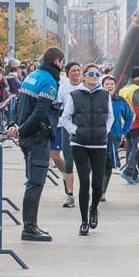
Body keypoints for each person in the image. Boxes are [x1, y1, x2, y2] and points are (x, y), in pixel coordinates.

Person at [7, 47, 65, 241]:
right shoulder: (48, 81)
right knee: (36, 182)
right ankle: (29, 228)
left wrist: (15, 124)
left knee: (31, 180)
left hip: (26, 137)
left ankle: (30, 225)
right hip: (37, 138)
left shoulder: (32, 76)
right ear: (57, 62)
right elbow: (40, 112)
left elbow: (18, 103)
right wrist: (22, 129)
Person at [59, 64, 113, 236]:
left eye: (97, 74)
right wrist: (76, 131)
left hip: (99, 142)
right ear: (84, 76)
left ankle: (94, 209)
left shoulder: (105, 95)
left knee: (97, 184)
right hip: (79, 143)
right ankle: (83, 221)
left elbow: (110, 116)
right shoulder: (74, 95)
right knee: (84, 182)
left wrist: (106, 130)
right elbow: (65, 118)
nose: (95, 76)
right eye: (91, 74)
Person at [54, 61, 83, 206]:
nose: (77, 73)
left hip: (85, 129)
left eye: (78, 70)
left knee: (86, 164)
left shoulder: (86, 87)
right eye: (73, 71)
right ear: (67, 73)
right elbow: (57, 107)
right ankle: (69, 194)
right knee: (69, 162)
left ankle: (85, 193)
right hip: (67, 128)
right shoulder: (63, 88)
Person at [102, 75, 134, 199]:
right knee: (97, 164)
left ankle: (102, 191)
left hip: (114, 137)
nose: (110, 86)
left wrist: (123, 132)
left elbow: (129, 117)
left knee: (108, 164)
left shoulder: (120, 101)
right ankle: (96, 188)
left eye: (112, 84)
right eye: (107, 84)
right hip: (97, 136)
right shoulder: (97, 99)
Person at [119, 66, 139, 184]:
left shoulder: (123, 89)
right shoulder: (137, 89)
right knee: (136, 149)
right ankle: (129, 171)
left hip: (125, 123)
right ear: (138, 76)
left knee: (130, 149)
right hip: (136, 122)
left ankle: (133, 176)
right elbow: (138, 107)